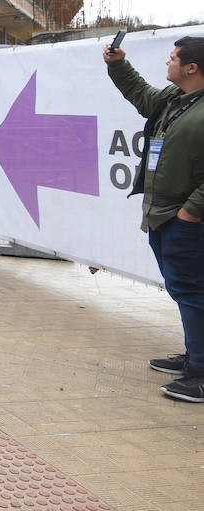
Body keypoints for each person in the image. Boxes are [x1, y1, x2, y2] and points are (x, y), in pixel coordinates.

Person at [105, 35, 204, 402]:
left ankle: (200, 373)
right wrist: (118, 64)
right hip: (163, 215)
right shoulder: (175, 99)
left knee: (192, 292)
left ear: (192, 67)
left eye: (174, 58)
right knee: (185, 290)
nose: (168, 63)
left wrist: (190, 212)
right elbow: (143, 97)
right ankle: (195, 355)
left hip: (184, 220)